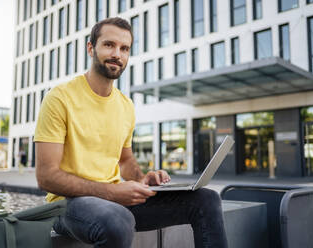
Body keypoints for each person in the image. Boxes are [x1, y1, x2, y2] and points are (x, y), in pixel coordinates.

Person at [34, 17, 227, 248]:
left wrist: (142, 179)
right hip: (67, 205)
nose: (117, 54)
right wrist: (112, 192)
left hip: (113, 200)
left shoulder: (125, 106)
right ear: (90, 48)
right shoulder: (59, 98)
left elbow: (125, 160)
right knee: (118, 219)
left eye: (124, 48)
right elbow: (46, 176)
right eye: (109, 45)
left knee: (206, 199)